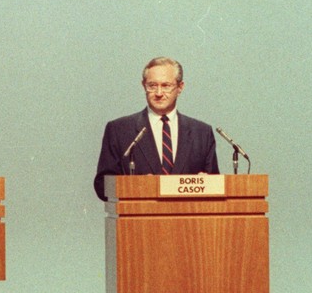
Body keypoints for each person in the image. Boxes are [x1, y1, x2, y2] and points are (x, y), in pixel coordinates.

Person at [94, 57, 219, 201]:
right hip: (139, 221)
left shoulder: (202, 133)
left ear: (180, 88)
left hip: (189, 221)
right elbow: (102, 185)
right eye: (152, 86)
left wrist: (208, 183)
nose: (159, 93)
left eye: (166, 85)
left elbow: (215, 185)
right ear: (143, 86)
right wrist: (137, 186)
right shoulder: (119, 130)